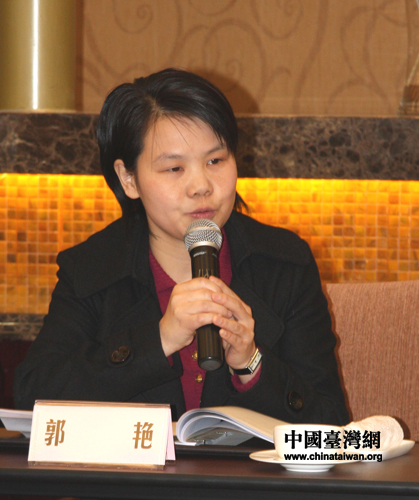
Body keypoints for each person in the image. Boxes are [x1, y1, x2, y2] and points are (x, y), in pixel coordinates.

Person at [14, 68, 349, 425]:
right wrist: (158, 340)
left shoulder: (285, 265)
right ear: (129, 179)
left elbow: (330, 426)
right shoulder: (91, 268)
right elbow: (34, 397)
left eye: (215, 161)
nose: (201, 186)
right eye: (174, 168)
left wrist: (250, 364)